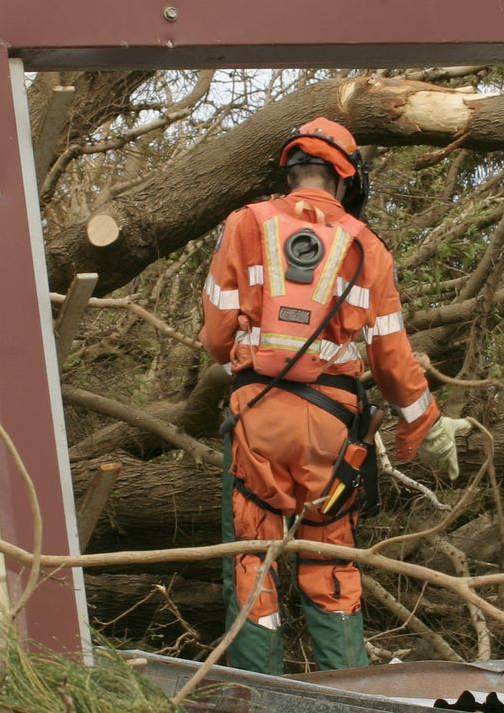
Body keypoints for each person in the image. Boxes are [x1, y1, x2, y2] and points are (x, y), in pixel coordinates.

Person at [199, 117, 469, 674]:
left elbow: (216, 335)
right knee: (331, 564)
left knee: (253, 558)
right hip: (332, 433)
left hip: (258, 423)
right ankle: (351, 699)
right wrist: (427, 426)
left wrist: (246, 365)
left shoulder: (245, 225)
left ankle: (258, 704)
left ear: (293, 171)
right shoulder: (368, 247)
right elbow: (392, 362)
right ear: (347, 181)